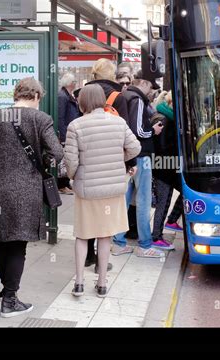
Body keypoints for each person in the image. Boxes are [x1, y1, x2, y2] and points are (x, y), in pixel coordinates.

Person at [0, 78, 64, 318]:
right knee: (17, 245)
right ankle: (10, 300)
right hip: (25, 192)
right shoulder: (41, 119)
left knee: (2, 241)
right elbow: (57, 152)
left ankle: (5, 294)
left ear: (17, 95)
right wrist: (43, 161)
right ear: (35, 96)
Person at [64, 84, 141, 297]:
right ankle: (102, 283)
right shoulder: (118, 122)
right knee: (105, 235)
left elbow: (70, 162)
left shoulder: (76, 126)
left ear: (82, 102)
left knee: (82, 235)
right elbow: (135, 148)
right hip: (113, 189)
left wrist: (71, 176)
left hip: (87, 189)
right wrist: (118, 160)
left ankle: (79, 283)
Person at [84, 59, 131, 270]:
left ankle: (88, 256)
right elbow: (127, 134)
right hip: (111, 162)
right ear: (111, 73)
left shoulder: (82, 94)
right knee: (106, 212)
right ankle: (101, 263)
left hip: (88, 160)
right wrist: (131, 162)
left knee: (88, 211)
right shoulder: (117, 96)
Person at [112, 75, 166, 258]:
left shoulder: (124, 96)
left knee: (124, 201)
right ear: (142, 83)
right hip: (140, 156)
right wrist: (154, 130)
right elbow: (138, 131)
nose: (151, 91)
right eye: (150, 86)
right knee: (143, 202)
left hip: (126, 156)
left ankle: (118, 242)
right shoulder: (138, 99)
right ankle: (144, 245)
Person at [151, 92, 184, 249]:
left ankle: (171, 221)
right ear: (172, 103)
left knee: (184, 192)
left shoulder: (167, 117)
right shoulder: (163, 119)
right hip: (164, 167)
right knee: (163, 203)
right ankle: (156, 237)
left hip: (168, 166)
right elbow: (161, 146)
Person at [58, 73, 80, 195]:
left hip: (69, 130)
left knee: (67, 159)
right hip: (65, 132)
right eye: (75, 82)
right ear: (71, 83)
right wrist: (63, 135)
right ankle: (61, 184)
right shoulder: (62, 96)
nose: (76, 84)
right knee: (63, 161)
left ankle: (65, 183)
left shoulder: (67, 95)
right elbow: (60, 117)